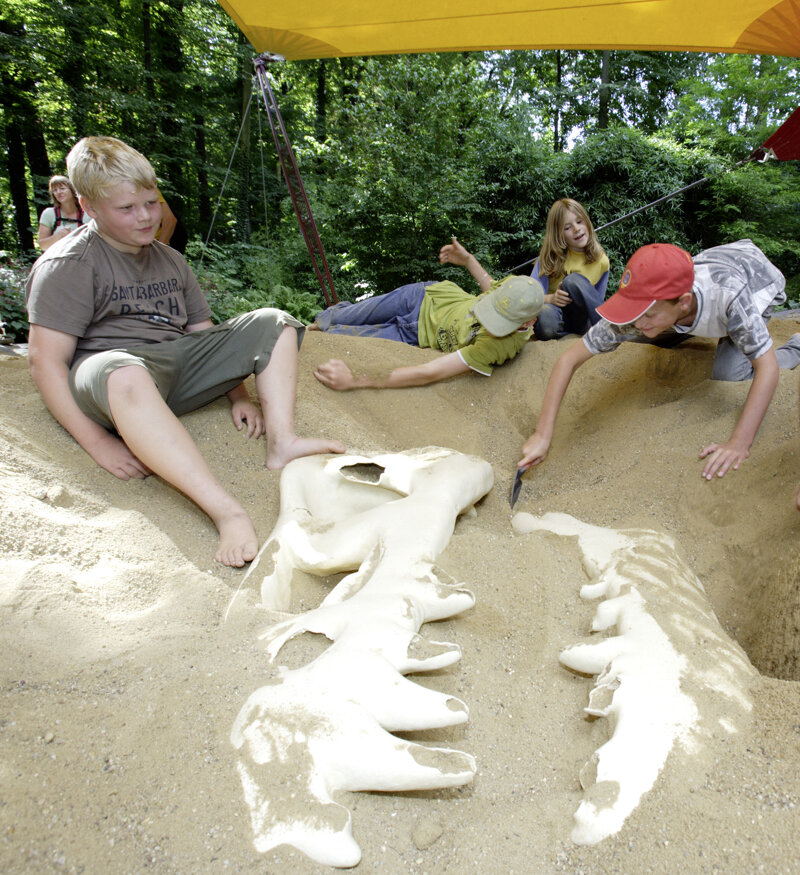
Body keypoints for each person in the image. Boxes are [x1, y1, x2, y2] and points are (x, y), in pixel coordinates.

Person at [25, 136, 344, 567]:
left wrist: (237, 395)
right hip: (111, 380)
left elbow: (204, 334)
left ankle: (282, 443)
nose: (145, 217)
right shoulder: (68, 264)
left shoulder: (170, 260)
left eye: (152, 203)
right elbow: (46, 362)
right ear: (89, 205)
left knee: (275, 320)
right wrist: (98, 443)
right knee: (125, 372)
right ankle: (226, 511)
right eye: (127, 209)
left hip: (172, 367)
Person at [518, 240, 800, 481]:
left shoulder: (731, 297)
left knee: (729, 373)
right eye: (636, 312)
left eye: (648, 316)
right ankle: (682, 329)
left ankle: (796, 346)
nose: (638, 322)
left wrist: (739, 443)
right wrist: (542, 434)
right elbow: (569, 359)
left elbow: (767, 369)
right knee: (644, 336)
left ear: (683, 302)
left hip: (756, 282)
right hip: (706, 283)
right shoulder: (647, 307)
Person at [312, 275, 543, 390]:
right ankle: (329, 316)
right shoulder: (515, 285)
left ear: (528, 322)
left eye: (499, 321)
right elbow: (489, 282)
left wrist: (355, 381)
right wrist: (466, 259)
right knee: (335, 317)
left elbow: (428, 372)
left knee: (337, 335)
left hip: (414, 336)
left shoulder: (497, 346)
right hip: (425, 295)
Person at [438, 198, 609, 340]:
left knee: (572, 281)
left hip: (582, 319)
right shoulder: (548, 260)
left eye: (579, 222)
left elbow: (595, 301)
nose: (577, 229)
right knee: (545, 318)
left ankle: (609, 330)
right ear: (558, 234)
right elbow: (530, 298)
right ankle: (569, 336)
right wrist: (552, 298)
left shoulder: (601, 260)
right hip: (556, 318)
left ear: (587, 222)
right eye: (567, 227)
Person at [37, 175, 86, 251]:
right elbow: (42, 246)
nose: (58, 192)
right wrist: (59, 235)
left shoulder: (86, 213)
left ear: (72, 191)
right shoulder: (49, 214)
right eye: (55, 190)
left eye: (62, 188)